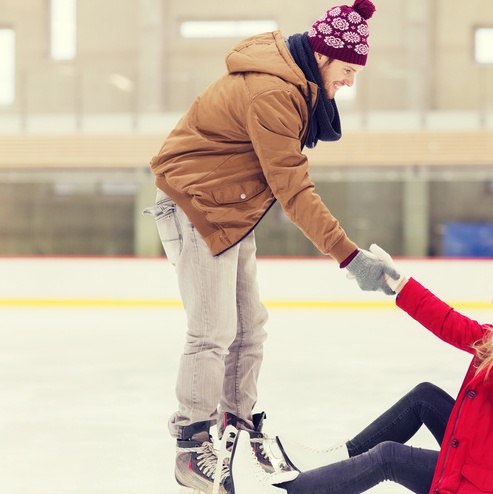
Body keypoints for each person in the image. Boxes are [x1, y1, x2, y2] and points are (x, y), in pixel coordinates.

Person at [144, 1, 400, 492]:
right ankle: (192, 443)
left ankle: (234, 422)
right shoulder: (273, 94)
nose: (349, 83)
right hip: (194, 201)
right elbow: (294, 191)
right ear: (323, 56)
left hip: (230, 203)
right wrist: (349, 256)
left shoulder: (293, 83)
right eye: (347, 70)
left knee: (251, 324)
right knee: (212, 327)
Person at [229, 244, 493, 494]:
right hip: (481, 455)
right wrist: (400, 284)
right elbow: (452, 325)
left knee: (388, 457)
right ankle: (337, 461)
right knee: (425, 398)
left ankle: (286, 492)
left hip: (479, 483)